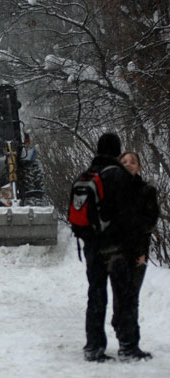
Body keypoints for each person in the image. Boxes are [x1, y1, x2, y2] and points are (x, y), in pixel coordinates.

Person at [80, 133, 140, 362]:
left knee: (96, 294)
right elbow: (129, 215)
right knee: (123, 295)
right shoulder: (119, 176)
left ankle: (93, 347)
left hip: (92, 245)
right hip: (115, 246)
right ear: (117, 151)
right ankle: (128, 346)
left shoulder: (87, 175)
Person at [112, 151, 159, 362]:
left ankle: (130, 345)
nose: (129, 164)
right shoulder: (112, 191)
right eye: (125, 162)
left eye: (133, 162)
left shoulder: (146, 191)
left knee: (131, 299)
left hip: (137, 252)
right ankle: (123, 334)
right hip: (115, 253)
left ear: (139, 167)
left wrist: (139, 250)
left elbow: (149, 222)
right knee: (120, 300)